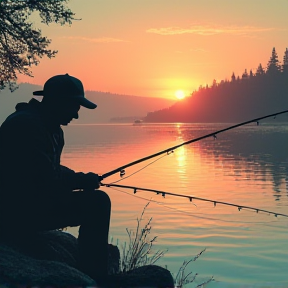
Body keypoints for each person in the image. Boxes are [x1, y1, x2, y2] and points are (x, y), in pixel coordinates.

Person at [0, 74, 111, 285]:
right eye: (74, 107)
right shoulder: (26, 126)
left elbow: (48, 169)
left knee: (94, 199)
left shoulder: (49, 127)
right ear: (58, 101)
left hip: (27, 205)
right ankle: (95, 277)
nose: (77, 115)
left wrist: (81, 178)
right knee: (98, 203)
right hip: (14, 212)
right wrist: (80, 181)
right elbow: (42, 178)